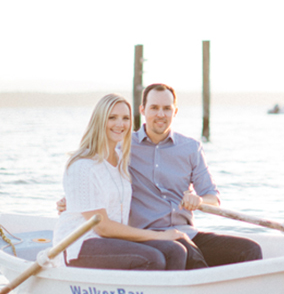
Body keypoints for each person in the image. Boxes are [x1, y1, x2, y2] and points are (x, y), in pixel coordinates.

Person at [54, 93, 205, 270]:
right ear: (99, 120)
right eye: (112, 118)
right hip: (79, 244)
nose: (120, 124)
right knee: (153, 258)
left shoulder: (121, 160)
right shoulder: (82, 165)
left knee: (176, 250)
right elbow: (102, 227)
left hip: (113, 241)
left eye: (125, 118)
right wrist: (159, 235)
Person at [127, 83, 262, 267]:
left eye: (167, 108)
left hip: (187, 234)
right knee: (186, 252)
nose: (161, 114)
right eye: (154, 108)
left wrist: (198, 200)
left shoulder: (190, 148)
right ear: (143, 110)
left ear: (175, 112)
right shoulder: (124, 147)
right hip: (148, 238)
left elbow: (212, 198)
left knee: (250, 250)